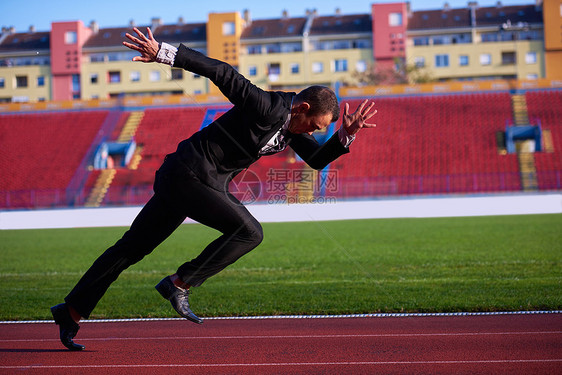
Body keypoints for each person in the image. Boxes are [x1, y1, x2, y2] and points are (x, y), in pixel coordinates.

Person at [50, 27, 378, 351]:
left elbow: (318, 160)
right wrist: (164, 53)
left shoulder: (293, 131)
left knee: (131, 249)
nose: (314, 132)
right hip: (189, 174)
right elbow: (222, 72)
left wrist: (344, 137)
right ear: (303, 109)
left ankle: (71, 311)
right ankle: (179, 283)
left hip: (186, 181)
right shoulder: (266, 106)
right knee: (250, 232)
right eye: (316, 126)